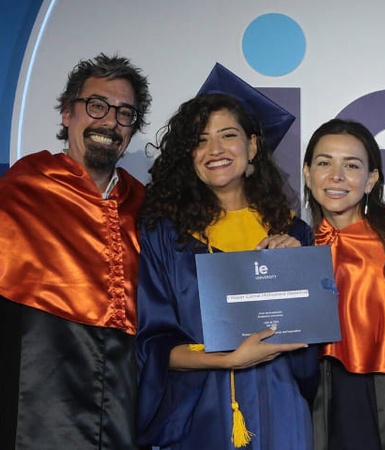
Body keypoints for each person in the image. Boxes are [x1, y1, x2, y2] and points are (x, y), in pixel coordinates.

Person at [136, 92, 320, 450]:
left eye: (228, 135)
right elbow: (153, 346)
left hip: (281, 406)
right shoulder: (165, 235)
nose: (215, 148)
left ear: (252, 146)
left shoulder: (293, 233)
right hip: (200, 411)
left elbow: (311, 342)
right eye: (200, 140)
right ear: (189, 156)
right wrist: (230, 360)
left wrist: (300, 272)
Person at [0, 53, 151, 449]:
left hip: (124, 396)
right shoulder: (20, 192)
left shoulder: (147, 209)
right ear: (68, 113)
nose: (109, 122)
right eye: (97, 106)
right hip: (38, 389)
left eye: (124, 114)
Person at [303, 118, 385, 450]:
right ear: (307, 173)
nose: (336, 176)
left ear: (371, 178)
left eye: (352, 165)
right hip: (314, 393)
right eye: (324, 162)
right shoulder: (292, 245)